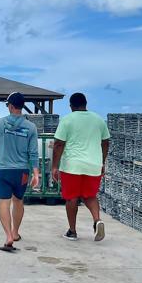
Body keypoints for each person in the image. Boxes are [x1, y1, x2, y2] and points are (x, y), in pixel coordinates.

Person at [51, 92, 110, 242]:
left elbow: (58, 144)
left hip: (72, 166)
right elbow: (105, 142)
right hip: (93, 165)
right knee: (90, 196)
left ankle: (72, 231)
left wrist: (54, 166)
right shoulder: (98, 120)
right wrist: (102, 161)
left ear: (71, 106)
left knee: (71, 198)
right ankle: (97, 220)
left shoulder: (67, 120)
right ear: (85, 104)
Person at [0, 92, 40, 252]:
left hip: (3, 169)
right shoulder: (31, 127)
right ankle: (16, 232)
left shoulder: (0, 123)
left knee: (4, 202)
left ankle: (8, 235)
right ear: (22, 106)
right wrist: (36, 173)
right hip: (22, 172)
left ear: (10, 106)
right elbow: (33, 152)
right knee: (18, 201)